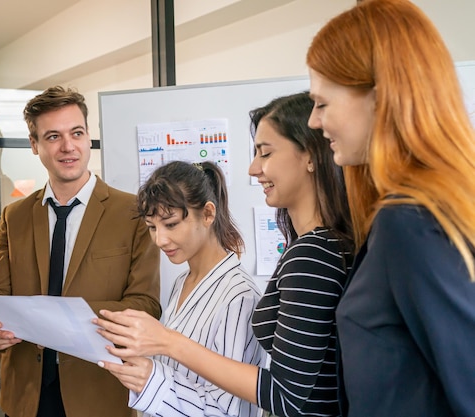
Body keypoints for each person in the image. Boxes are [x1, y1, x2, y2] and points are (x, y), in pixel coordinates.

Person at [95, 92, 353, 417]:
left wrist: (163, 352)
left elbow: (275, 397)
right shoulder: (182, 284)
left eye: (266, 152)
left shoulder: (300, 261)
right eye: (152, 227)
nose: (253, 167)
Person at [305, 1, 475, 416]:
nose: (313, 121)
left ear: (380, 100)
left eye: (322, 103)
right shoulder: (420, 211)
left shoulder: (410, 222)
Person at [0, 86, 161, 417]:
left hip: (98, 392)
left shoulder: (133, 212)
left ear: (88, 136)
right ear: (34, 145)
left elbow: (144, 305)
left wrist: (58, 323)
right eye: (52, 136)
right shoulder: (13, 216)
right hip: (25, 395)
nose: (68, 146)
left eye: (76, 132)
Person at [102, 160, 265, 417]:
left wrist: (152, 381)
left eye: (171, 224)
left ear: (208, 214)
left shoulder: (239, 297)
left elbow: (228, 411)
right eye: (152, 227)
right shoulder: (182, 282)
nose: (160, 240)